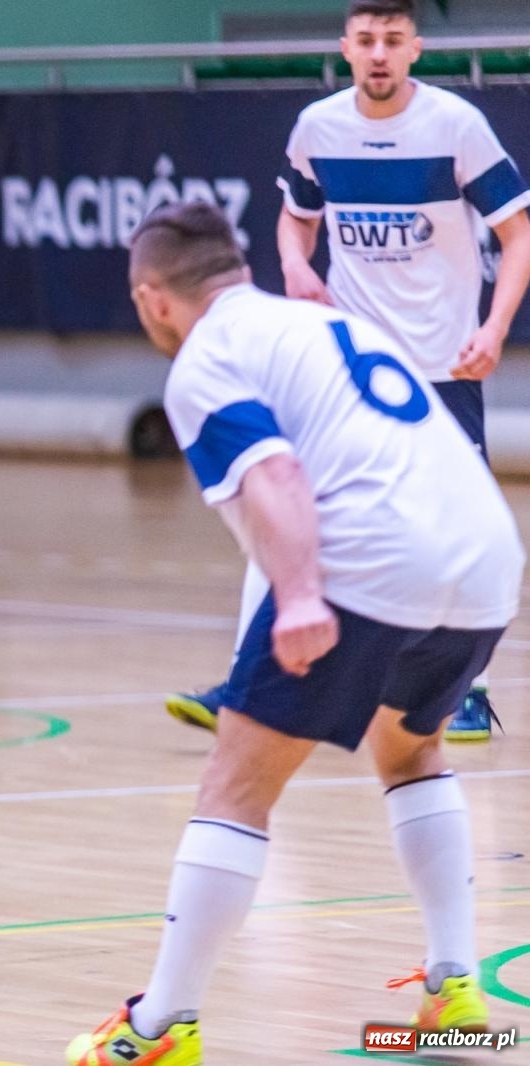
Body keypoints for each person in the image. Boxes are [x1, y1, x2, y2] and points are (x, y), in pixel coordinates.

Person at [68, 201, 522, 1065]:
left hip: (369, 559)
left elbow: (274, 475)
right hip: (487, 557)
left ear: (150, 297)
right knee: (411, 751)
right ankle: (454, 990)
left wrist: (303, 594)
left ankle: (160, 1028)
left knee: (234, 788)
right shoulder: (317, 322)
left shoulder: (206, 359)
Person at [165, 0, 530, 743]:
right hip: (349, 367)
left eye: (393, 40)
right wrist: (297, 266)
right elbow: (296, 216)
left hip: (441, 368)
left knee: (457, 523)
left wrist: (494, 328)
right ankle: (245, 679)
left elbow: (517, 235)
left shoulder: (456, 126)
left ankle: (467, 690)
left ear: (416, 49)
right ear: (346, 47)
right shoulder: (319, 129)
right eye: (366, 40)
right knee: (286, 499)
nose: (379, 54)